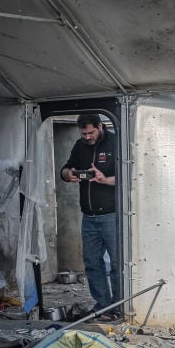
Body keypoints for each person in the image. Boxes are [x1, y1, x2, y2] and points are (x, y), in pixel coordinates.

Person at [60, 114, 121, 319]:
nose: (87, 137)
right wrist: (68, 174)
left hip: (112, 215)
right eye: (84, 133)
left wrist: (106, 180)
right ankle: (103, 305)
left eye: (91, 133)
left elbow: (130, 176)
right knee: (92, 262)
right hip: (89, 216)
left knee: (116, 264)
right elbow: (66, 168)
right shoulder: (80, 146)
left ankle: (119, 306)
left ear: (100, 126)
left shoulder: (116, 142)